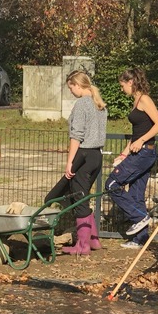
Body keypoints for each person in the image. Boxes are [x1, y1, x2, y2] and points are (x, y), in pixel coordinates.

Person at [45, 70, 108, 255]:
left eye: (70, 87)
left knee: (79, 200)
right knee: (83, 196)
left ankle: (82, 245)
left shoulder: (82, 104)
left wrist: (70, 161)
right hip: (97, 156)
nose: (71, 91)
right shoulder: (99, 104)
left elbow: (77, 136)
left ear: (77, 85)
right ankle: (93, 240)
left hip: (83, 156)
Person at [105, 68, 158, 249]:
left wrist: (142, 141)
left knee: (111, 184)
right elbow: (137, 133)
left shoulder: (145, 99)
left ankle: (139, 217)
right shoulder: (136, 101)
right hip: (138, 152)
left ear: (131, 82)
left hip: (145, 152)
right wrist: (124, 154)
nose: (121, 89)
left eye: (122, 85)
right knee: (136, 195)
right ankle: (140, 239)